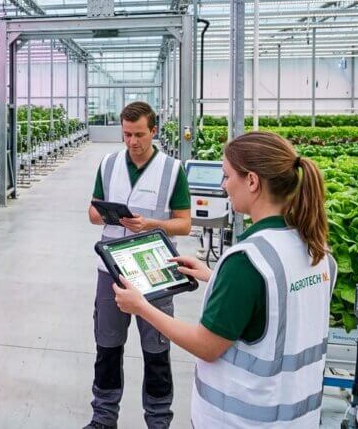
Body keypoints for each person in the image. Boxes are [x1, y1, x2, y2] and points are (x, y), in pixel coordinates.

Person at [113, 131, 336, 428]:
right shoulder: (316, 250)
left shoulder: (247, 262)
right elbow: (275, 305)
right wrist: (214, 276)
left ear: (252, 182)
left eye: (227, 176)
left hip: (242, 420)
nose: (223, 186)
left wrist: (141, 306)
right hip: (298, 417)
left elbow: (205, 345)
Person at [85, 102, 191, 429]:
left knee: (156, 352)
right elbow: (92, 214)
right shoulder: (109, 163)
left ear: (154, 131)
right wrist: (113, 215)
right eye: (127, 134)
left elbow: (184, 224)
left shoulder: (172, 169)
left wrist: (151, 225)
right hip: (112, 271)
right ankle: (103, 419)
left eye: (140, 134)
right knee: (107, 347)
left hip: (154, 269)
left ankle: (158, 422)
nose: (132, 142)